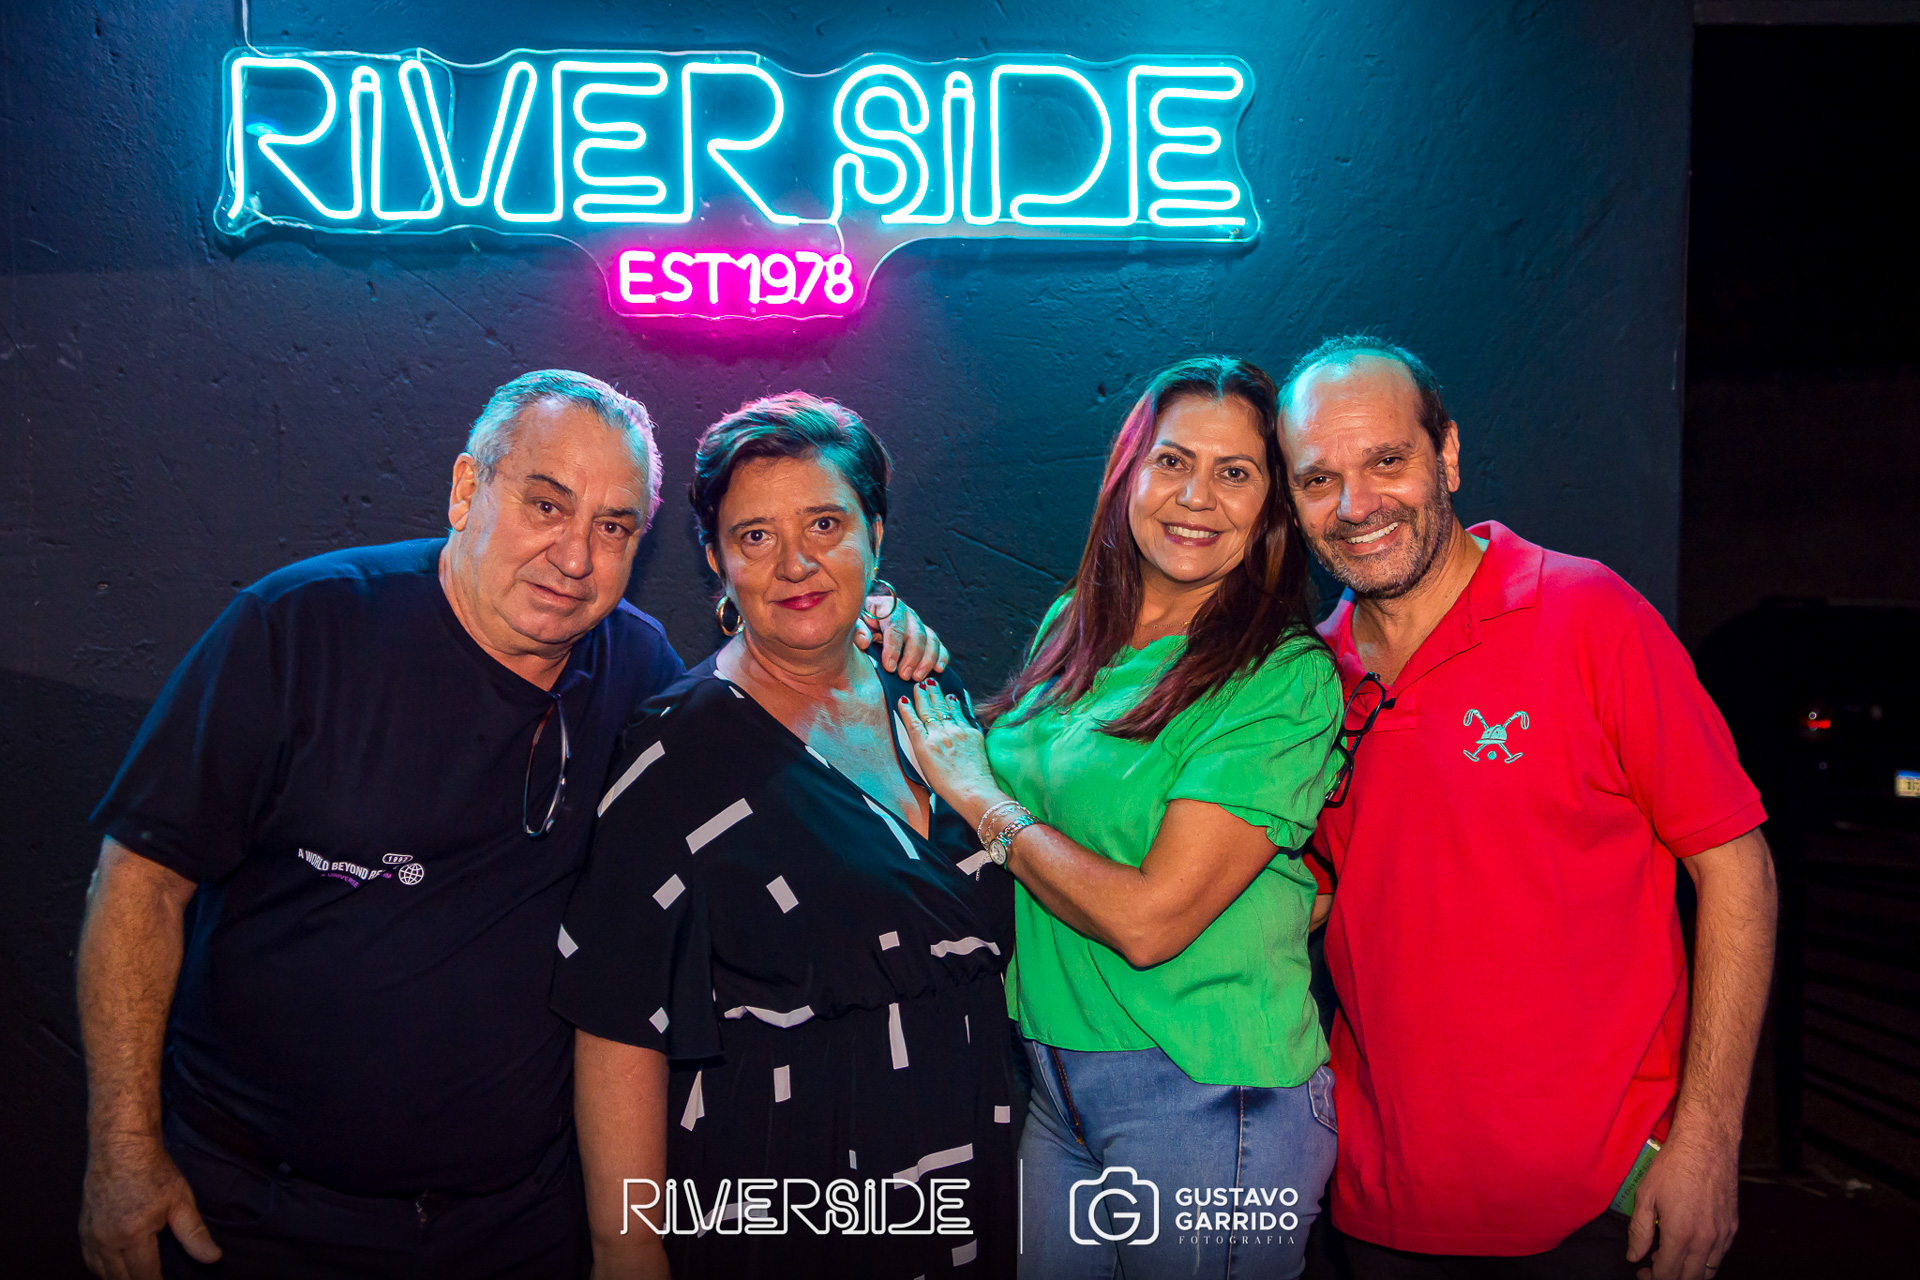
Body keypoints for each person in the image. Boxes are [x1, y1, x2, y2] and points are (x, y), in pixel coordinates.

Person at [76, 371, 947, 1280]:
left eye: (613, 527)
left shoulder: (639, 672)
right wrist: (124, 1150)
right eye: (546, 505)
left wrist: (867, 619)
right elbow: (139, 881)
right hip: (261, 1213)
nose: (574, 556)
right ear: (466, 489)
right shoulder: (300, 629)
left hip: (519, 1225)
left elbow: (771, 682)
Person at [1277, 335, 1777, 1280]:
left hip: (1601, 1206)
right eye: (1318, 480)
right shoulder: (1304, 686)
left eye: (1386, 461)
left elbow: (1736, 865)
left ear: (1447, 455)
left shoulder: (1590, 615)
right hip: (1379, 1207)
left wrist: (1710, 1141)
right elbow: (1309, 898)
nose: (1355, 505)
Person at [551, 392, 1020, 1280]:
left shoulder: (929, 689)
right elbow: (617, 1027)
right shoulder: (677, 749)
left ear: (875, 533)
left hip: (967, 1184)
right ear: (716, 560)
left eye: (825, 524)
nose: (796, 562)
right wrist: (629, 1252)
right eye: (756, 536)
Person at [899, 356, 1345, 1279]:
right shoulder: (1075, 625)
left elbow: (1150, 922)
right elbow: (983, 760)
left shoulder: (1280, 676)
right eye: (1172, 461)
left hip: (1208, 1097)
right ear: (1128, 472)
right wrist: (879, 625)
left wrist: (982, 802)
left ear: (1270, 505)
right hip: (1058, 1081)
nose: (1196, 497)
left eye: (1235, 473)